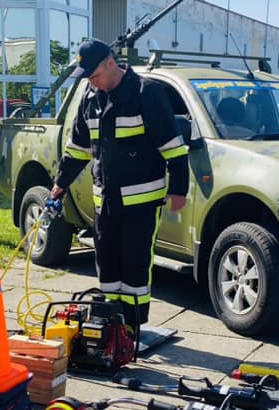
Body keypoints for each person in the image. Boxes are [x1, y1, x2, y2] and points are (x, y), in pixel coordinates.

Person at [49, 38, 189, 328]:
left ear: (111, 63)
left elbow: (174, 147)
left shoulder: (146, 93)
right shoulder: (90, 98)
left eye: (95, 75)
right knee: (107, 263)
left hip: (141, 202)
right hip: (106, 201)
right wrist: (60, 184)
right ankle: (110, 321)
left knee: (135, 266)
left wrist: (178, 188)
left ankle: (132, 327)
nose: (92, 82)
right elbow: (78, 149)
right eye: (87, 77)